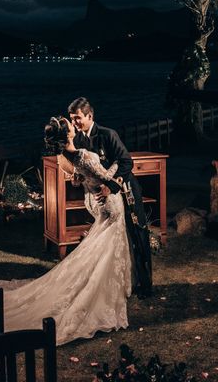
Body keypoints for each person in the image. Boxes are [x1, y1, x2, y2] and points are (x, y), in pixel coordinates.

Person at [0, 116, 132, 345]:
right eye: (70, 124)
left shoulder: (67, 157)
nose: (74, 126)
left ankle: (102, 291)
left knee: (100, 252)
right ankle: (102, 299)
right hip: (110, 205)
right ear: (68, 134)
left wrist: (87, 176)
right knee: (107, 252)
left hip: (98, 204)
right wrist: (115, 168)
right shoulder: (84, 155)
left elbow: (82, 176)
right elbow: (104, 177)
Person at [68, 96, 153, 298]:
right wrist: (78, 177)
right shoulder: (78, 139)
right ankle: (116, 282)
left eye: (78, 118)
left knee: (137, 234)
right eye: (72, 119)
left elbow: (126, 163)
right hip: (103, 200)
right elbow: (88, 168)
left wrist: (110, 186)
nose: (75, 123)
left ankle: (146, 285)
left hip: (126, 191)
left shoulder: (108, 134)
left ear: (90, 115)